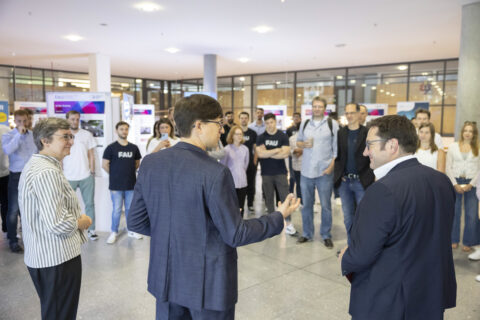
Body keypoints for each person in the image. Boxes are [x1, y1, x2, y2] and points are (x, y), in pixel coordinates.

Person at [127, 94, 300, 319]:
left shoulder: (151, 163)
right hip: (207, 285)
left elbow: (137, 221)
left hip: (166, 279)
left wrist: (183, 230)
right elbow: (235, 234)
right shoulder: (215, 172)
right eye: (218, 123)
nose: (221, 129)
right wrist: (278, 215)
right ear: (198, 125)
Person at [339, 115, 456, 320]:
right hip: (430, 292)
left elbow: (363, 253)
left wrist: (345, 258)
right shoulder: (441, 181)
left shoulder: (382, 190)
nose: (365, 152)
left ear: (392, 145)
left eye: (370, 145)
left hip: (392, 301)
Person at [19, 118, 92, 320]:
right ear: (45, 141)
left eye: (71, 136)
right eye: (65, 137)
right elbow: (58, 223)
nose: (71, 141)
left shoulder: (43, 165)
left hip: (48, 256)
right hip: (56, 258)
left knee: (56, 311)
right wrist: (83, 221)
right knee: (60, 314)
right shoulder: (46, 172)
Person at [296, 97, 339, 248]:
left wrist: (330, 168)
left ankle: (326, 235)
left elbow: (336, 150)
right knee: (306, 205)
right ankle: (307, 233)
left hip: (324, 172)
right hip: (306, 171)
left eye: (320, 106)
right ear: (311, 108)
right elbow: (298, 142)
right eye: (315, 106)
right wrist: (303, 144)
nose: (317, 109)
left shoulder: (332, 124)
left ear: (325, 108)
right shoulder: (305, 123)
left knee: (326, 205)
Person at [333, 103, 374, 245]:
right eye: (347, 113)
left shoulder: (367, 132)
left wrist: (371, 175)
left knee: (363, 217)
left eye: (352, 113)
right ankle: (351, 246)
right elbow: (338, 156)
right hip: (345, 183)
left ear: (358, 114)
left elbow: (371, 156)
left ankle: (363, 246)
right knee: (348, 218)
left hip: (361, 181)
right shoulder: (341, 133)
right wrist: (339, 173)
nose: (349, 116)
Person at [2, 109, 37, 252]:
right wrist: (18, 136)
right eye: (19, 121)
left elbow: (37, 152)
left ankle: (29, 239)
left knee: (29, 209)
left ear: (28, 120)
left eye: (25, 121)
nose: (23, 123)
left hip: (32, 174)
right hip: (16, 176)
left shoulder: (34, 135)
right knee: (13, 210)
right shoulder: (9, 135)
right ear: (15, 121)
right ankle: (13, 240)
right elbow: (8, 151)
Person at [256, 113, 297, 235]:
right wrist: (277, 150)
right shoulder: (261, 137)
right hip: (266, 173)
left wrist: (267, 152)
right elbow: (260, 154)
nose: (269, 125)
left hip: (281, 173)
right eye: (267, 123)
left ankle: (288, 223)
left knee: (285, 198)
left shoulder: (282, 136)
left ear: (275, 122)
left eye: (271, 122)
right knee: (269, 199)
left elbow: (285, 154)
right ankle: (272, 224)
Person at [102, 121, 142, 244]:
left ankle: (131, 230)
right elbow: (104, 165)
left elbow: (137, 164)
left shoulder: (133, 148)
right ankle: (114, 232)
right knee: (117, 210)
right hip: (116, 185)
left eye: (126, 129)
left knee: (130, 209)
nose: (124, 131)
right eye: (121, 129)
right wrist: (115, 175)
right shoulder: (111, 148)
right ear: (116, 131)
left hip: (130, 184)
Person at [63, 110, 98, 241]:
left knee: (89, 204)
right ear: (67, 119)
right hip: (68, 176)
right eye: (72, 119)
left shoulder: (86, 135)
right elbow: (60, 155)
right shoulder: (63, 135)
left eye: (77, 119)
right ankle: (69, 230)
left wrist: (92, 172)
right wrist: (60, 173)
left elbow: (91, 155)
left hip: (85, 175)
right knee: (67, 205)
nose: (75, 121)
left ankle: (91, 229)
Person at [446, 121, 480, 252]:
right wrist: (454, 183)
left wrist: (472, 184)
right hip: (455, 181)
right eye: (466, 130)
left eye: (471, 131)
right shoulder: (453, 147)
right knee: (454, 212)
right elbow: (448, 166)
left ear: (474, 134)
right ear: (462, 132)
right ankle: (453, 239)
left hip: (473, 182)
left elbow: (479, 169)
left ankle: (469, 241)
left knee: (471, 214)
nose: (468, 133)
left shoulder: (478, 147)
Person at [220, 126, 249, 217]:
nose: (239, 136)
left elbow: (246, 165)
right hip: (231, 184)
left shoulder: (245, 149)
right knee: (231, 207)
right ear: (232, 136)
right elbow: (223, 166)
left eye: (241, 134)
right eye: (237, 134)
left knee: (241, 206)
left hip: (243, 183)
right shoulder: (226, 149)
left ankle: (240, 227)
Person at [238, 112, 257, 213]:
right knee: (239, 185)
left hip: (250, 164)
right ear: (239, 119)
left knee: (251, 184)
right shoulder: (236, 132)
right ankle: (239, 205)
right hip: (238, 164)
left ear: (248, 119)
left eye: (245, 118)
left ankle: (250, 204)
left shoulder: (252, 133)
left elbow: (255, 149)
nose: (244, 120)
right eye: (242, 118)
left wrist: (254, 161)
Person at [286, 112, 302, 199]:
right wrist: (295, 151)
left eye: (297, 117)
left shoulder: (308, 136)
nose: (296, 118)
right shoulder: (290, 130)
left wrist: (302, 150)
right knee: (293, 177)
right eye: (294, 117)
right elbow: (289, 147)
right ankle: (291, 193)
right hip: (293, 159)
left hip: (305, 162)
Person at [0, 123, 10, 233]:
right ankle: (6, 227)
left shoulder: (7, 130)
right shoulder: (7, 130)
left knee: (6, 202)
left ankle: (6, 227)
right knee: (5, 202)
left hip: (6, 173)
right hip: (6, 172)